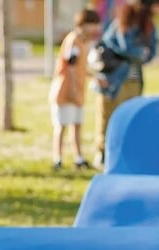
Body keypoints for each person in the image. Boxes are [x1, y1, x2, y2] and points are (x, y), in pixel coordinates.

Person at [92, 0, 159, 167]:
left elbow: (151, 52)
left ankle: (124, 153)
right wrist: (139, 53)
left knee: (129, 118)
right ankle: (101, 154)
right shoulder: (123, 22)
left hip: (134, 81)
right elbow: (125, 47)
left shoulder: (149, 27)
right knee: (107, 119)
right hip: (113, 79)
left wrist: (141, 54)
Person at [48, 9, 100, 171]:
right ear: (84, 24)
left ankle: (79, 158)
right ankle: (58, 159)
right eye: (93, 25)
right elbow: (71, 66)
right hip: (66, 90)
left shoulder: (83, 42)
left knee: (77, 124)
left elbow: (80, 68)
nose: (95, 29)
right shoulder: (74, 41)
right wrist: (72, 90)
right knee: (61, 125)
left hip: (78, 90)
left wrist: (94, 77)